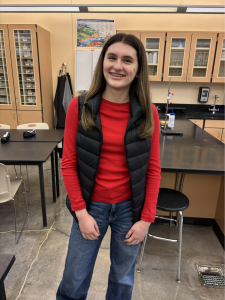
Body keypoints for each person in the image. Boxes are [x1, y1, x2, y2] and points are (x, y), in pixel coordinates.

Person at [56, 33, 161, 300]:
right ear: (103, 62)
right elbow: (68, 163)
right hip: (91, 207)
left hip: (129, 210)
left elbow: (153, 169)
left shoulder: (149, 112)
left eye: (128, 60)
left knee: (122, 282)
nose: (118, 66)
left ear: (137, 70)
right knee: (73, 280)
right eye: (112, 57)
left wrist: (146, 220)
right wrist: (81, 213)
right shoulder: (79, 107)